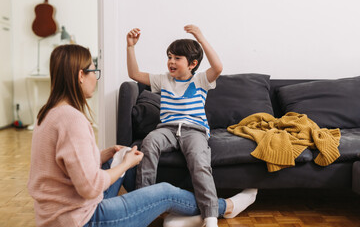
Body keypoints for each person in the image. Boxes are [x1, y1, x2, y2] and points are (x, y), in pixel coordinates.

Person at [27, 44, 253, 227]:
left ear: (192, 63)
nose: (96, 77)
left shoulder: (47, 114)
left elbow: (66, 168)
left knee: (122, 152)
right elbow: (89, 187)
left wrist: (103, 155)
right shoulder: (73, 120)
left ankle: (181, 211)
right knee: (163, 190)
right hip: (83, 219)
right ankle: (225, 207)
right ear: (79, 76)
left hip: (57, 216)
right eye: (94, 71)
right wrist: (125, 165)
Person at [126, 25, 258, 227]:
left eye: (177, 58)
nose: (171, 61)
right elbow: (134, 74)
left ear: (192, 64)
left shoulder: (200, 81)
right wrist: (130, 47)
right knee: (150, 141)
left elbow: (218, 67)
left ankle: (210, 215)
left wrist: (201, 37)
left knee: (199, 160)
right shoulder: (163, 79)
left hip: (194, 130)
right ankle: (143, 203)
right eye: (169, 56)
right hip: (167, 129)